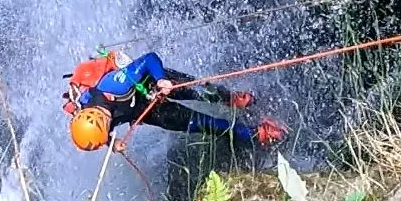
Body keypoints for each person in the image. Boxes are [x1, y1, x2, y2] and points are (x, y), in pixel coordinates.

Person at [62, 50, 286, 152]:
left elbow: (149, 59)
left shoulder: (116, 85)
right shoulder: (91, 120)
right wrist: (113, 145)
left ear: (100, 116)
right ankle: (256, 133)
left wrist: (161, 80)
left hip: (152, 82)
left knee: (202, 92)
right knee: (203, 124)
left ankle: (231, 99)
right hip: (146, 111)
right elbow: (104, 134)